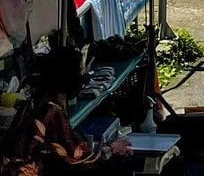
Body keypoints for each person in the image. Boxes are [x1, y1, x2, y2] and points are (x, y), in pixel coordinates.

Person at [1, 45, 133, 175]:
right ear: (69, 76)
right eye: (80, 72)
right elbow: (76, 153)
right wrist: (111, 149)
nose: (83, 76)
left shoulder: (37, 99)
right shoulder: (52, 109)